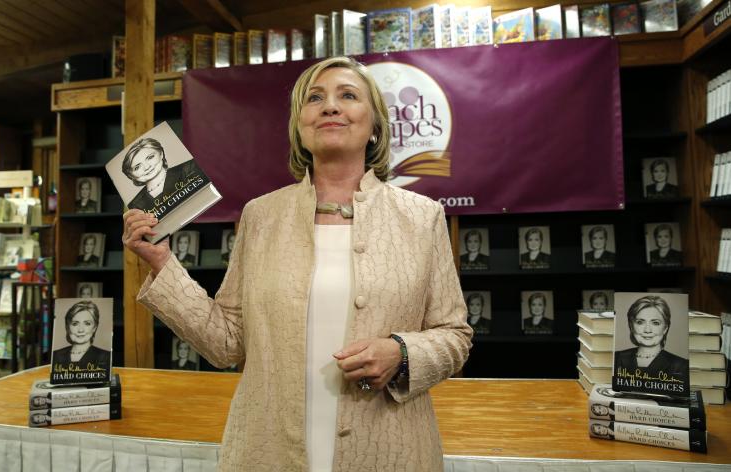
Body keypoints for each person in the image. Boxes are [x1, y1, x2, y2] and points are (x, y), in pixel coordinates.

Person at [123, 56, 472, 471]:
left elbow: (454, 335)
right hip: (269, 449)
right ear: (299, 127)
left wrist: (401, 353)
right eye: (315, 98)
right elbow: (226, 342)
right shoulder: (261, 216)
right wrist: (161, 262)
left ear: (375, 126)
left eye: (348, 95)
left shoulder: (422, 217)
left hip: (390, 450)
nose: (330, 106)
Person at [613, 295, 688, 383]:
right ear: (631, 326)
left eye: (655, 323)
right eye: (640, 322)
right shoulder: (615, 358)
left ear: (665, 328)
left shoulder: (682, 366)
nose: (647, 330)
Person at [121, 137, 204, 212]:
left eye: (150, 157)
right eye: (137, 167)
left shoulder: (189, 168)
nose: (147, 167)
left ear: (161, 154)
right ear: (131, 175)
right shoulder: (135, 206)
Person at [51, 300, 109, 372]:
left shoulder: (105, 356)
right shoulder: (56, 355)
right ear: (68, 327)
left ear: (95, 327)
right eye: (75, 324)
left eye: (87, 323)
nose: (80, 330)